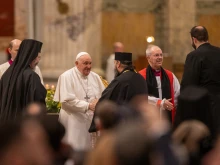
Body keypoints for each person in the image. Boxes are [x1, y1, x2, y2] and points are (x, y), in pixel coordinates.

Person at [53, 52, 105, 150]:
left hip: (91, 121)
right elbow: (67, 101)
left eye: (90, 63)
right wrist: (88, 106)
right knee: (75, 149)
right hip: (73, 121)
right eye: (85, 63)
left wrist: (98, 102)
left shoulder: (95, 77)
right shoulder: (66, 77)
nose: (89, 66)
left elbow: (103, 96)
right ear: (76, 63)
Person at [89, 52, 148, 132]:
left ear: (118, 63)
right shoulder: (140, 78)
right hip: (140, 123)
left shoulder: (120, 80)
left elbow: (108, 99)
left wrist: (98, 103)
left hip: (124, 126)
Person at [181, 26, 220, 137]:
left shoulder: (194, 56)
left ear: (194, 39)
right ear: (207, 37)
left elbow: (188, 86)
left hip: (205, 108)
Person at [0, 39, 46, 123]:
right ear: (30, 56)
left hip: (6, 124)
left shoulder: (7, 73)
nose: (38, 60)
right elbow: (37, 103)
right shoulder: (31, 76)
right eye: (37, 57)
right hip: (24, 125)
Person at [139, 45, 180, 124]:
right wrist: (159, 102)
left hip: (167, 117)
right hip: (148, 117)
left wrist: (172, 106)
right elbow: (140, 97)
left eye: (161, 55)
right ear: (148, 58)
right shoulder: (141, 76)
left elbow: (177, 94)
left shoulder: (170, 75)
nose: (160, 57)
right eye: (156, 55)